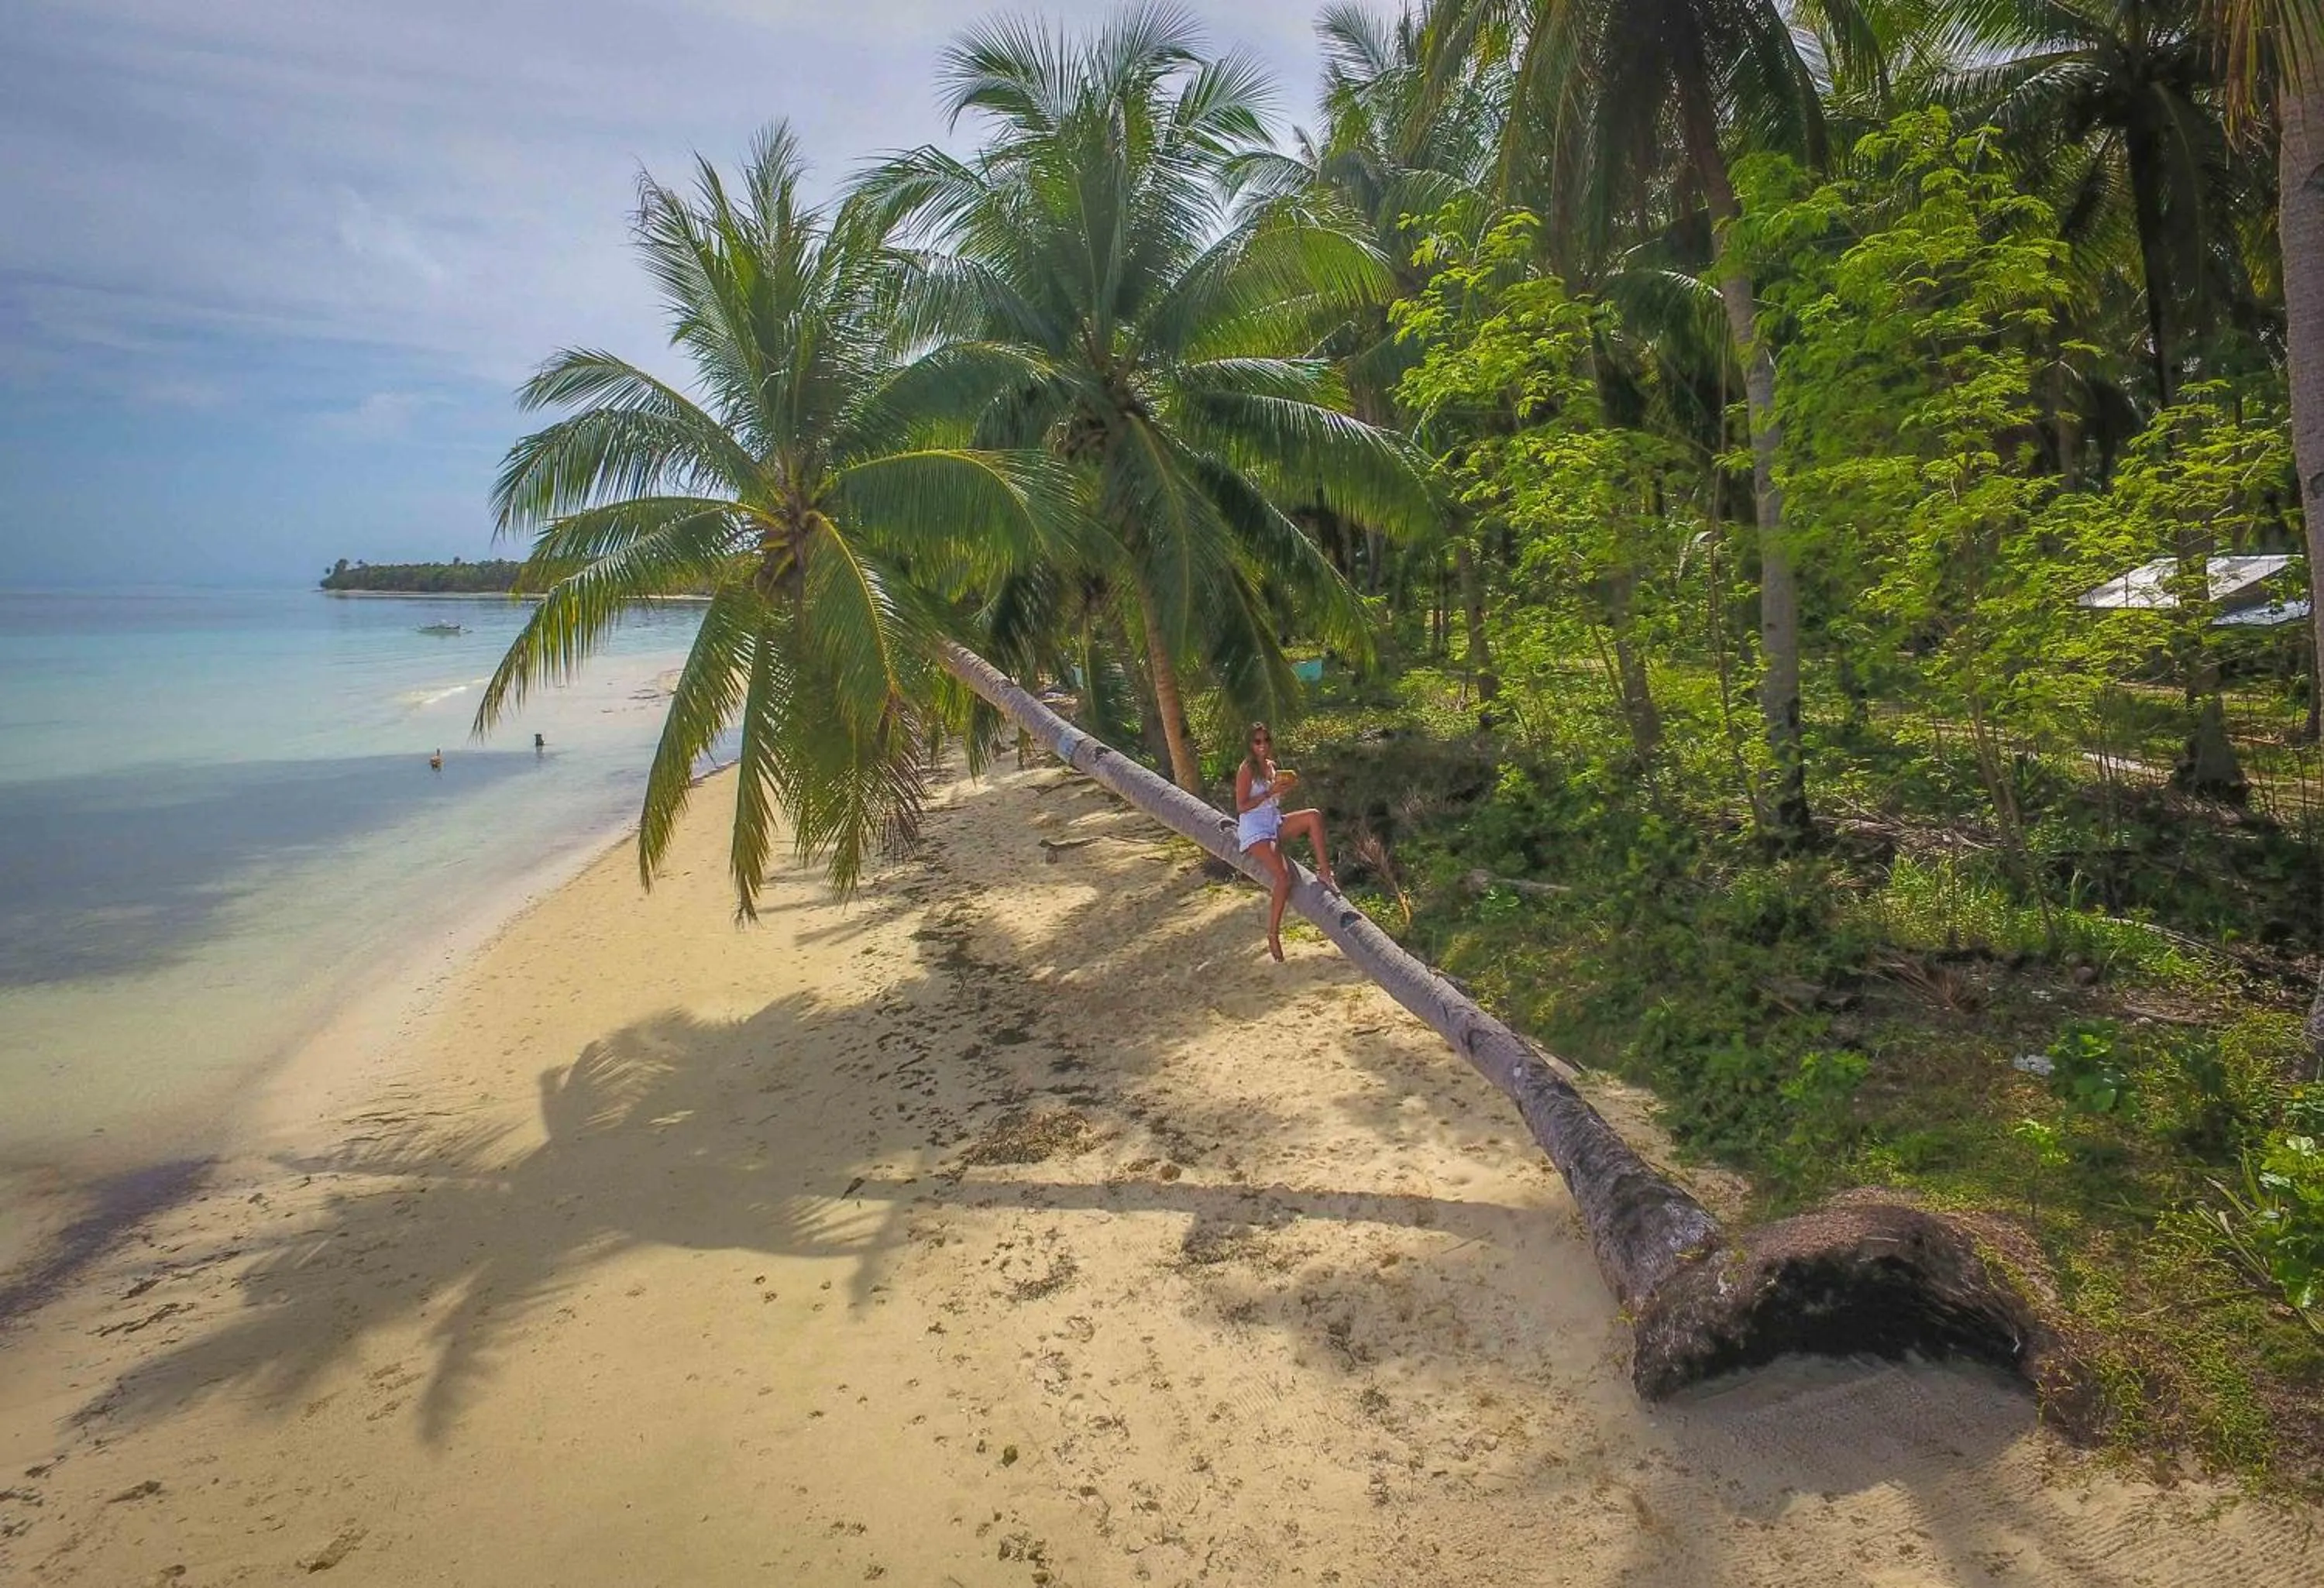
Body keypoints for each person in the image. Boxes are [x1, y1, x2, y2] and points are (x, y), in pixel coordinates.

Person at [1233, 721, 1336, 962]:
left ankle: (1326, 873)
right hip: (1256, 828)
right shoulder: (1247, 769)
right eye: (1257, 741)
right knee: (1283, 878)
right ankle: (1273, 933)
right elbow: (1241, 806)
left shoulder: (1272, 767)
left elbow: (1273, 801)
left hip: (1274, 821)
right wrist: (1269, 793)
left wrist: (1283, 789)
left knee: (1313, 816)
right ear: (1250, 744)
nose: (1263, 745)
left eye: (1266, 740)